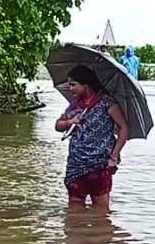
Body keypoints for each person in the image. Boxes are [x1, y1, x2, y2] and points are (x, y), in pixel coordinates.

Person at [55, 64, 129, 208]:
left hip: (99, 165)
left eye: (73, 84)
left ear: (86, 85)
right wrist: (70, 121)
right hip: (75, 165)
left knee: (101, 213)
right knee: (74, 213)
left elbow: (124, 128)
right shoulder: (74, 105)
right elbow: (58, 125)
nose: (70, 88)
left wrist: (114, 156)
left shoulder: (107, 103)